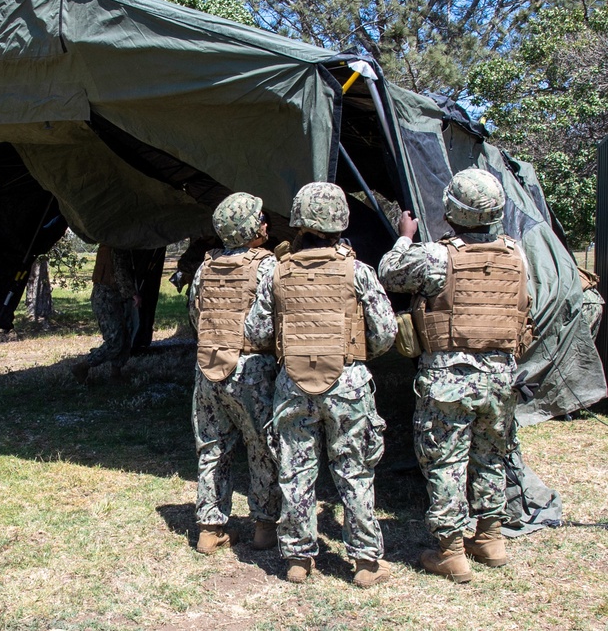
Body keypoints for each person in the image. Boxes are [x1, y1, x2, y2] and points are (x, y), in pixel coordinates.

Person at [378, 168, 531, 583]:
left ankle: (450, 551)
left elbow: (389, 271)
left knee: (446, 461)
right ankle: (491, 537)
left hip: (449, 376)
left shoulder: (437, 256)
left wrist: (405, 234)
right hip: (501, 376)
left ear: (452, 210)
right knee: (491, 456)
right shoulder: (516, 254)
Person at [245, 182, 396, 587]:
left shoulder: (278, 272)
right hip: (347, 381)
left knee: (295, 472)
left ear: (298, 221)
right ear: (340, 221)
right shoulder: (358, 271)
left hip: (292, 381)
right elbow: (385, 333)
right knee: (355, 471)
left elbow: (256, 332)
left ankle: (298, 559)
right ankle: (365, 563)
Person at [187, 193, 280, 554]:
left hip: (208, 366)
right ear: (250, 228)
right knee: (262, 447)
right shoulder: (267, 267)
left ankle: (210, 529)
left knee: (212, 448)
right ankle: (264, 527)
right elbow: (262, 329)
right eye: (261, 220)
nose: (265, 225)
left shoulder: (204, 269)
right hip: (251, 369)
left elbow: (196, 318)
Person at [71, 245, 140, 383]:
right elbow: (120, 272)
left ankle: (116, 374)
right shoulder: (117, 245)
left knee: (125, 335)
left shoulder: (114, 243)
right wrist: (132, 294)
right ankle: (83, 366)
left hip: (115, 296)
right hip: (106, 296)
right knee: (115, 339)